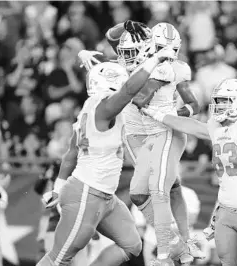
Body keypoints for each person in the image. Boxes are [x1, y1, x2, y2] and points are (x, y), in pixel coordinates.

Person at [37, 45, 177, 266]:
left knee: (132, 245)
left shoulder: (89, 107)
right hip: (86, 193)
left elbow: (71, 154)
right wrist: (155, 58)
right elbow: (129, 90)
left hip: (105, 196)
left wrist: (57, 186)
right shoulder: (104, 108)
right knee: (59, 259)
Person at [142, 78, 237, 266]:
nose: (217, 106)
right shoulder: (218, 129)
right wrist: (158, 115)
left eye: (223, 101)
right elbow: (191, 126)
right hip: (226, 209)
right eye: (217, 101)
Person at [106, 21, 204, 266]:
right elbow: (111, 37)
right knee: (140, 194)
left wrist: (178, 113)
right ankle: (175, 243)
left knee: (166, 187)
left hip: (161, 129)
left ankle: (177, 244)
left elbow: (188, 101)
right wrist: (124, 26)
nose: (125, 57)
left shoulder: (165, 67)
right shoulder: (131, 57)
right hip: (134, 133)